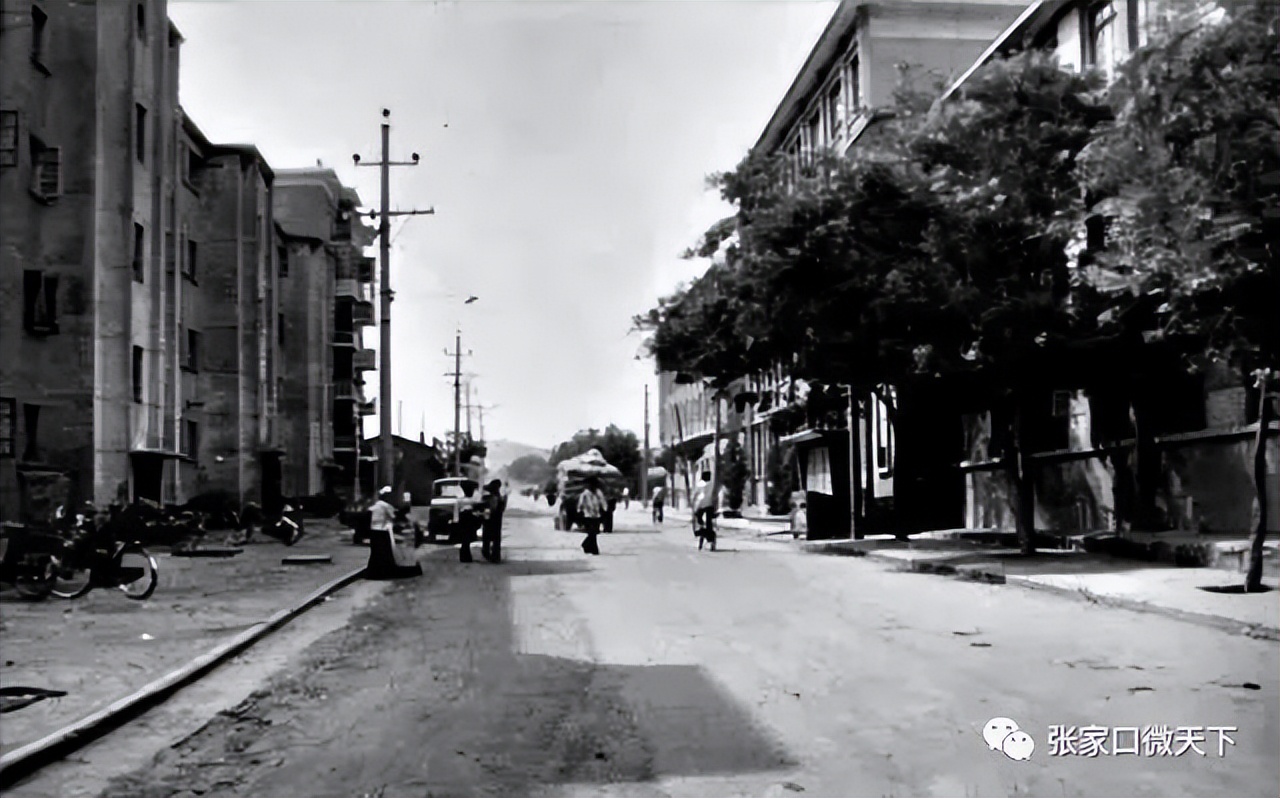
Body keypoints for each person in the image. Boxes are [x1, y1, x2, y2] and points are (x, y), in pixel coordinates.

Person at [577, 477, 607, 555]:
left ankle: (586, 546)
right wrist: (580, 511)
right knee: (592, 532)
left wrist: (604, 509)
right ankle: (594, 549)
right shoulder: (585, 493)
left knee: (594, 533)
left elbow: (602, 501)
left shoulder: (598, 493)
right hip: (588, 515)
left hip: (596, 515)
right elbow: (581, 503)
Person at [480, 479, 506, 563]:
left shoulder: (492, 498)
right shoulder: (500, 498)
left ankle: (490, 554)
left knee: (487, 538)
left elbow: (490, 510)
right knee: (496, 539)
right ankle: (495, 556)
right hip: (497, 522)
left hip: (490, 521)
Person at [456, 481, 480, 563]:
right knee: (467, 539)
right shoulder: (472, 501)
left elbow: (457, 512)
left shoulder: (460, 500)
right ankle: (466, 556)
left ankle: (464, 556)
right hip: (469, 519)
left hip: (463, 519)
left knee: (464, 539)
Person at [693, 471, 717, 551]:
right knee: (709, 523)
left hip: (700, 506)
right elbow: (714, 494)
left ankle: (701, 532)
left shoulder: (699, 484)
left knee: (699, 521)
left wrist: (692, 504)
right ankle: (710, 538)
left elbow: (694, 495)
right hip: (709, 506)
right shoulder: (711, 484)